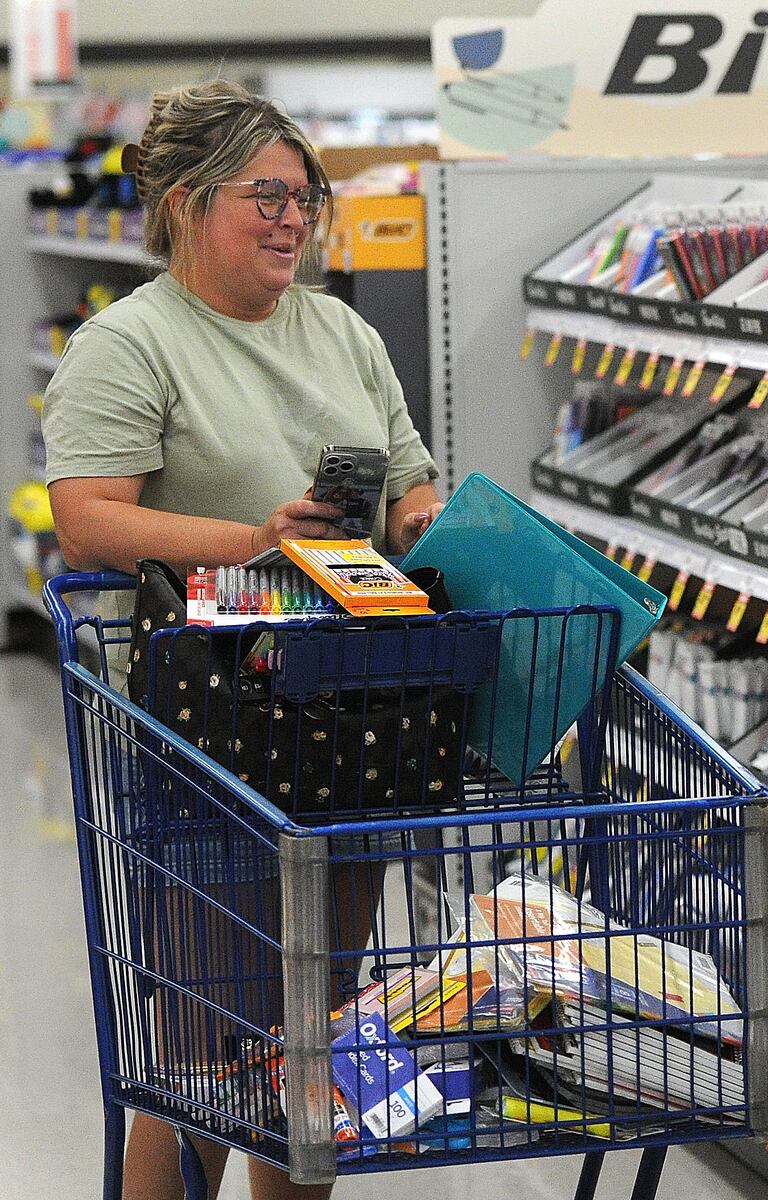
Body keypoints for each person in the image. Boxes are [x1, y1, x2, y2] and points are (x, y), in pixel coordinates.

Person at [42, 79, 443, 1200]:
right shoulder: (129, 344)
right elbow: (88, 518)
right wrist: (254, 536)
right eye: (264, 194)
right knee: (208, 1038)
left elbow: (408, 483)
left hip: (354, 712)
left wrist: (436, 525)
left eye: (304, 196)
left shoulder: (342, 329)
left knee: (311, 1032)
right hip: (207, 725)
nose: (292, 218)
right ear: (184, 203)